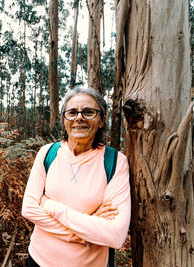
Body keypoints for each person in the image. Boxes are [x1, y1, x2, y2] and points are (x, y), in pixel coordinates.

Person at [21, 86, 131, 266]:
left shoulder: (115, 161)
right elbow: (29, 209)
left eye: (88, 112)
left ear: (102, 120)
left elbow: (115, 235)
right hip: (39, 260)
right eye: (72, 112)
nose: (79, 118)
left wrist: (49, 205)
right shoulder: (47, 153)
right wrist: (84, 233)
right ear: (64, 119)